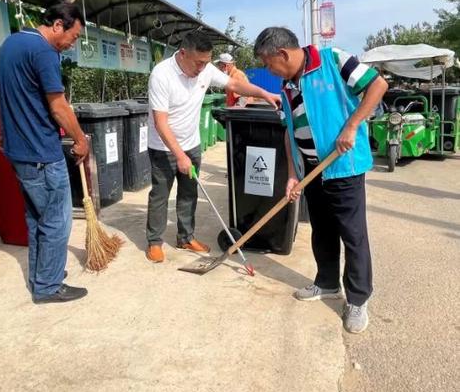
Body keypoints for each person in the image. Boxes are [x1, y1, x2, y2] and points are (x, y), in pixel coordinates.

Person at [253, 27, 388, 333]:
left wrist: (352, 125)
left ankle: (358, 298)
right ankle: (326, 283)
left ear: (282, 54)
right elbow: (290, 132)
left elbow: (378, 85)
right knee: (322, 231)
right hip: (312, 171)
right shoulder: (287, 87)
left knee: (353, 235)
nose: (267, 69)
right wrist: (291, 175)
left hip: (343, 168)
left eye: (267, 63)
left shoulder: (333, 60)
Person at [145, 32, 280, 263]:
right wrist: (179, 155)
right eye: (199, 62)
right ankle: (154, 242)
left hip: (192, 143)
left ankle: (185, 237)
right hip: (164, 147)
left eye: (207, 62)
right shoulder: (161, 75)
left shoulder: (205, 68)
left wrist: (264, 93)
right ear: (183, 53)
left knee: (189, 193)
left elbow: (235, 83)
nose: (203, 68)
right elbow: (160, 122)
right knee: (160, 195)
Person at [0, 1, 90, 304]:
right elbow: (58, 106)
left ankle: (41, 278)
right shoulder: (46, 52)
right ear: (58, 25)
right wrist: (80, 139)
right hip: (41, 154)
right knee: (57, 221)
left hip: (19, 152)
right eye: (73, 37)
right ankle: (49, 286)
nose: (71, 44)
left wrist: (3, 130)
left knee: (38, 219)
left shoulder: (11, 44)